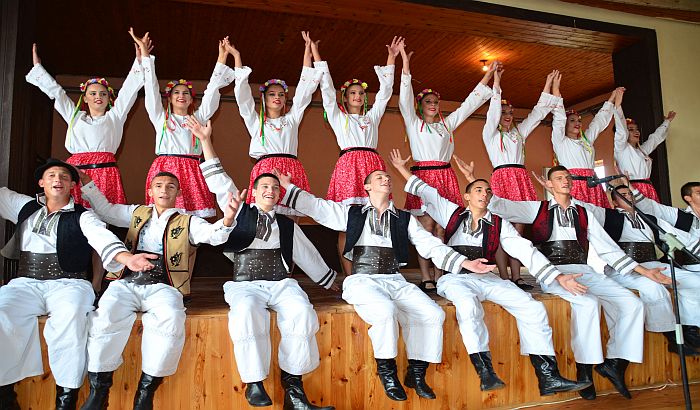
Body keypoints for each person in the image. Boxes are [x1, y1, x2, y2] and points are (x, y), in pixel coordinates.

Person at [278, 167, 496, 402]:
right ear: (367, 187)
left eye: (388, 178)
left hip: (394, 278)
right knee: (385, 311)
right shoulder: (352, 213)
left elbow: (429, 244)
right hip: (362, 279)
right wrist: (288, 187)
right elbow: (317, 207)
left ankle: (416, 372)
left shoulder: (404, 219)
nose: (386, 180)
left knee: (432, 313)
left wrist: (465, 263)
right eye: (379, 178)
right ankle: (387, 372)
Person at [390, 149, 590, 396]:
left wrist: (557, 276)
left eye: (488, 191)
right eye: (478, 190)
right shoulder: (450, 212)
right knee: (468, 306)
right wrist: (400, 168)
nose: (484, 194)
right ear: (466, 196)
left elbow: (524, 249)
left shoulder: (499, 223)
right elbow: (424, 190)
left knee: (533, 308)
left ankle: (548, 376)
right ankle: (485, 371)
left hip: (488, 278)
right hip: (457, 279)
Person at [481, 164, 671, 400]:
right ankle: (585, 371)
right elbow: (500, 205)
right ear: (548, 184)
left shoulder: (584, 212)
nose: (566, 180)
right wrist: (483, 189)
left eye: (568, 177)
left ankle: (615, 363)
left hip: (585, 270)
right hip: (554, 271)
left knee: (632, 304)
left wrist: (643, 271)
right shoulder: (537, 209)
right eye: (559, 177)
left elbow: (608, 249)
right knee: (588, 303)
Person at [189, 116, 337, 410]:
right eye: (264, 186)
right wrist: (205, 141)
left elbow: (307, 254)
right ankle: (254, 382)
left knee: (302, 313)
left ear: (280, 194)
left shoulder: (286, 224)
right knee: (245, 313)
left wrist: (332, 283)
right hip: (246, 284)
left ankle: (294, 389)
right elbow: (218, 180)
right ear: (253, 191)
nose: (270, 190)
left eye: (275, 187)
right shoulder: (240, 210)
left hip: (281, 282)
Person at [0, 159, 155, 410]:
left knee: (71, 319)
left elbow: (101, 238)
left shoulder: (84, 216)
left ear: (73, 184)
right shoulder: (23, 207)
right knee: (2, 310)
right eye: (51, 176)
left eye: (64, 176)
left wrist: (126, 257)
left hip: (69, 284)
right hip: (26, 282)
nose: (57, 180)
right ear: (41, 182)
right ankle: (5, 394)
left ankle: (66, 399)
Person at [78, 170, 239, 410]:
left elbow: (213, 236)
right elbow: (105, 210)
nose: (164, 190)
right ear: (150, 191)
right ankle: (99, 390)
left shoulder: (188, 221)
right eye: (159, 185)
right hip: (128, 281)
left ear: (179, 193)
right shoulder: (136, 213)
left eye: (171, 186)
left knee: (172, 319)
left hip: (164, 285)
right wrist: (88, 182)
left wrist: (227, 219)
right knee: (105, 315)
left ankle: (146, 391)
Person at [398, 42, 495, 291]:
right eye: (428, 101)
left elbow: (469, 105)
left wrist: (487, 76)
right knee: (426, 228)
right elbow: (405, 98)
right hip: (422, 176)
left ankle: (442, 273)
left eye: (435, 101)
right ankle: (426, 276)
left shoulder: (447, 124)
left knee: (443, 226)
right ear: (420, 105)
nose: (433, 104)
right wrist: (406, 65)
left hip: (444, 174)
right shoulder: (413, 123)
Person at [310, 34, 400, 275]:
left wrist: (391, 58)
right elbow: (327, 91)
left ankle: (379, 269)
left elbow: (385, 93)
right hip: (349, 166)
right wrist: (318, 57)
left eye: (361, 93)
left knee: (378, 219)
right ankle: (350, 275)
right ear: (346, 97)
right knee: (347, 224)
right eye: (352, 93)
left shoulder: (372, 117)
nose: (358, 96)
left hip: (372, 165)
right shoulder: (339, 117)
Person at [26, 39, 145, 207]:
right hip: (76, 172)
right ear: (86, 98)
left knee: (105, 215)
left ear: (109, 99)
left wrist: (140, 62)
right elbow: (58, 94)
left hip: (105, 172)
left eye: (103, 94)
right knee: (73, 213)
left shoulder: (115, 116)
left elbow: (128, 92)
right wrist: (39, 69)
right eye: (93, 93)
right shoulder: (75, 116)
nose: (98, 97)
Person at [129, 29, 235, 217]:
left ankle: (190, 248)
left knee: (192, 220)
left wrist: (222, 58)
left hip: (192, 169)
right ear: (169, 99)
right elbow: (151, 88)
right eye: (176, 92)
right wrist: (145, 54)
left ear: (191, 100)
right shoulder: (161, 118)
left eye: (185, 93)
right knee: (165, 215)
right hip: (165, 169)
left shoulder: (198, 118)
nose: (181, 95)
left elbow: (211, 92)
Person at [482, 66, 560, 290]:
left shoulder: (519, 134)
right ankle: (504, 277)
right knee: (499, 227)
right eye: (503, 113)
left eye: (510, 114)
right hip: (502, 177)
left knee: (518, 230)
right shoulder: (490, 134)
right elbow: (492, 113)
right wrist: (497, 82)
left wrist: (547, 86)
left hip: (519, 178)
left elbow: (537, 114)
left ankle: (517, 276)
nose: (507, 117)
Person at [228, 32, 322, 216]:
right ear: (263, 98)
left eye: (281, 94)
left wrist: (307, 51)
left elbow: (304, 91)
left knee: (291, 217)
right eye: (272, 94)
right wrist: (237, 57)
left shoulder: (292, 119)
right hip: (266, 169)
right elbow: (243, 96)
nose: (277, 98)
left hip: (292, 168)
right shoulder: (256, 121)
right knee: (264, 215)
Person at [551, 74, 624, 208]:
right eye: (572, 120)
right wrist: (556, 90)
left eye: (579, 120)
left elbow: (599, 121)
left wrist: (612, 97)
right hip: (574, 185)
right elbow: (559, 119)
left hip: (593, 184)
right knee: (580, 218)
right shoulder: (560, 141)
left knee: (599, 217)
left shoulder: (586, 140)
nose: (577, 123)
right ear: (565, 124)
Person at [613, 101, 676, 202]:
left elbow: (655, 138)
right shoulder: (621, 149)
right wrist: (618, 106)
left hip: (648, 188)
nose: (636, 132)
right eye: (631, 129)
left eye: (637, 129)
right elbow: (620, 129)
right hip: (632, 189)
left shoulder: (642, 150)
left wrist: (667, 121)